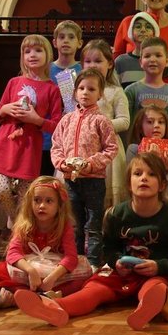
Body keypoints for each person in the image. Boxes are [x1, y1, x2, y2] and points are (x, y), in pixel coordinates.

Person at [14, 153, 168, 329]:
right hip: (121, 275)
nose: (144, 178)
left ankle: (146, 309)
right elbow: (109, 249)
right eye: (138, 173)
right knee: (94, 288)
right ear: (129, 183)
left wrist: (159, 266)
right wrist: (116, 262)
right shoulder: (116, 214)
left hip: (156, 274)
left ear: (162, 185)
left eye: (151, 174)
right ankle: (55, 307)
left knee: (155, 288)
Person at [0, 177, 87, 309]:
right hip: (28, 268)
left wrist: (52, 277)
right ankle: (38, 296)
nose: (42, 206)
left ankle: (22, 296)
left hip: (53, 269)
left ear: (59, 205)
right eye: (37, 200)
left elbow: (71, 257)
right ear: (30, 202)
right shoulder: (24, 224)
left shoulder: (64, 226)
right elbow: (13, 253)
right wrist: (31, 271)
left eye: (49, 201)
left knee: (81, 279)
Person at [0, 34, 63, 224]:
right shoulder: (13, 82)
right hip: (7, 143)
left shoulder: (52, 89)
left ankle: (20, 231)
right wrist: (4, 109)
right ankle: (16, 224)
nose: (32, 55)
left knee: (25, 196)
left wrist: (36, 120)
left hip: (30, 147)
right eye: (27, 51)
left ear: (48, 54)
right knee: (1, 190)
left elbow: (57, 125)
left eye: (38, 50)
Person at [50, 67, 118, 266]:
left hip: (94, 181)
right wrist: (61, 163)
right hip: (71, 181)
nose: (85, 93)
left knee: (93, 226)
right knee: (75, 225)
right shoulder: (66, 120)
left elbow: (111, 148)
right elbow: (56, 145)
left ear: (100, 94)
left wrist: (90, 164)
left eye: (91, 89)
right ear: (75, 92)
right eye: (81, 88)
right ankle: (76, 262)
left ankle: (94, 263)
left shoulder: (101, 121)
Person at [80, 39, 130, 209]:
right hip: (81, 147)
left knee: (105, 197)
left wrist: (99, 125)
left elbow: (124, 121)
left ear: (109, 64)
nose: (92, 65)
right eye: (88, 61)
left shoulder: (115, 91)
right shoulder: (79, 90)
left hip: (107, 148)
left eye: (98, 61)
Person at [124, 37, 168, 162]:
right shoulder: (131, 91)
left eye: (158, 55)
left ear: (167, 61)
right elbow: (126, 128)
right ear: (141, 62)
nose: (153, 59)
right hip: (138, 157)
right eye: (147, 56)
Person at [126, 105, 168, 204]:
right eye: (150, 122)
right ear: (140, 127)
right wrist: (150, 159)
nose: (156, 125)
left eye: (161, 122)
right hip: (141, 204)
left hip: (167, 205)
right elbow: (130, 182)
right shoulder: (134, 149)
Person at [114, 11, 158, 86]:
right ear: (131, 32)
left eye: (148, 27)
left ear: (154, 33)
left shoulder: (159, 61)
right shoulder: (121, 62)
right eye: (138, 27)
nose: (143, 30)